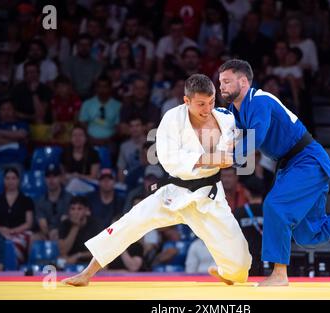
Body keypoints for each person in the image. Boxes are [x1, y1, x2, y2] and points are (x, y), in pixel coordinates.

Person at [61, 74, 251, 286]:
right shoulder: (172, 119)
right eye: (201, 104)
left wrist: (235, 153)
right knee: (130, 223)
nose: (207, 109)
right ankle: (87, 273)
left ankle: (226, 271)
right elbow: (169, 159)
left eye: (211, 102)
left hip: (209, 196)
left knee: (241, 267)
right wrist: (210, 158)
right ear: (186, 101)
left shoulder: (224, 118)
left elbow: (242, 143)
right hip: (175, 193)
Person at [218, 59, 330, 286]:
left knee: (274, 206)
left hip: (307, 161)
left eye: (227, 81)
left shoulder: (259, 100)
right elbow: (231, 138)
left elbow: (256, 138)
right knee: (309, 235)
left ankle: (279, 274)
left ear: (243, 81)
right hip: (292, 165)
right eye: (220, 82)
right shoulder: (234, 111)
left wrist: (227, 158)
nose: (222, 87)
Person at [0, 167, 34, 264]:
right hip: (0, 233)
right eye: (7, 178)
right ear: (4, 180)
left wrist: (13, 231)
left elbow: (28, 223)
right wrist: (2, 230)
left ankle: (14, 270)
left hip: (20, 233)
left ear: (18, 180)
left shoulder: (27, 200)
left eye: (13, 178)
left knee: (16, 243)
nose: (10, 181)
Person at [58, 196, 103, 266]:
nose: (76, 212)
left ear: (86, 210)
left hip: (90, 261)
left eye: (79, 209)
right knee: (60, 260)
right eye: (72, 209)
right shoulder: (65, 224)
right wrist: (75, 226)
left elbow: (99, 251)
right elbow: (63, 251)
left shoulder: (95, 224)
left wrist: (78, 255)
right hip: (70, 261)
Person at [234, 175, 265, 276]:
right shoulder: (270, 211)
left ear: (247, 192)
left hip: (245, 261)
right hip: (268, 259)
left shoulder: (239, 213)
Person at [34, 165, 72, 241]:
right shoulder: (40, 201)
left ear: (60, 178)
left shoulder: (70, 198)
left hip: (65, 234)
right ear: (45, 179)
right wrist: (48, 233)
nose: (51, 180)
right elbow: (43, 224)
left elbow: (65, 222)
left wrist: (57, 232)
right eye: (48, 177)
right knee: (34, 238)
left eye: (55, 176)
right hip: (47, 234)